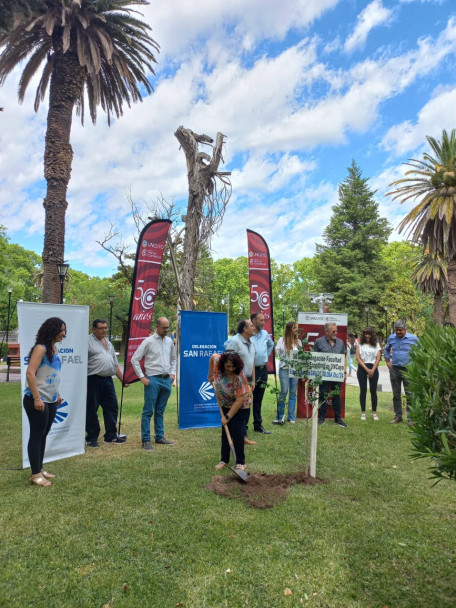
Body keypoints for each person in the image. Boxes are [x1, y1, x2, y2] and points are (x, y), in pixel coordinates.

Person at [23, 317, 66, 487]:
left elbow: (50, 375)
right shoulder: (40, 348)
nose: (63, 334)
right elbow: (30, 373)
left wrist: (58, 394)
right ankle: (35, 475)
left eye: (64, 330)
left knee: (43, 435)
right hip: (37, 400)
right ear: (52, 330)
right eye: (61, 330)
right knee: (36, 435)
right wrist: (37, 398)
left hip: (51, 400)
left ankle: (39, 469)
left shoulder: (53, 349)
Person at [131, 317, 176, 450]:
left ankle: (160, 437)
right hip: (153, 380)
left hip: (166, 379)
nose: (166, 330)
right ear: (157, 327)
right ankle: (145, 440)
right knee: (148, 411)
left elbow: (174, 359)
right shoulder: (148, 341)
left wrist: (172, 374)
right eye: (164, 327)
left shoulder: (169, 342)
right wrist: (142, 377)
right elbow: (135, 359)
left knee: (160, 410)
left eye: (167, 327)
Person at [208, 351, 252, 471]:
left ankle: (240, 462)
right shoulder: (218, 361)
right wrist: (210, 376)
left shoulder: (240, 376)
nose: (231, 369)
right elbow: (212, 357)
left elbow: (240, 399)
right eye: (228, 366)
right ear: (223, 364)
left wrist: (227, 417)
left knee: (237, 432)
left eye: (233, 366)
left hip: (241, 405)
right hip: (225, 402)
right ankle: (224, 460)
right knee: (225, 433)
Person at [86, 319, 126, 448]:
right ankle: (91, 438)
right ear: (94, 329)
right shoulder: (87, 341)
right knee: (91, 409)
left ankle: (110, 436)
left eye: (105, 328)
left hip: (108, 380)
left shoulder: (108, 343)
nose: (104, 330)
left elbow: (115, 364)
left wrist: (122, 379)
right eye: (101, 328)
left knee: (112, 407)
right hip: (92, 379)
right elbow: (81, 364)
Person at [223, 319, 257, 445]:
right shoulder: (234, 341)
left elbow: (252, 361)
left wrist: (253, 379)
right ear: (245, 329)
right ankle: (233, 436)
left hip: (247, 381)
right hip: (236, 382)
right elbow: (226, 360)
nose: (254, 328)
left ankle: (243, 435)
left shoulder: (251, 343)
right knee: (235, 409)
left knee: (246, 409)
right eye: (251, 326)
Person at [384, 320, 419, 425]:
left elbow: (421, 351)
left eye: (400, 330)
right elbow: (386, 349)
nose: (398, 332)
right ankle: (398, 416)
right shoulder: (391, 338)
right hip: (395, 369)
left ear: (405, 329)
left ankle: (411, 418)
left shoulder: (413, 339)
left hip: (408, 369)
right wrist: (387, 360)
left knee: (410, 394)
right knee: (396, 394)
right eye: (396, 330)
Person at [313, 322, 347, 427]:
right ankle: (321, 418)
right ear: (327, 332)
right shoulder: (318, 342)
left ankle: (338, 418)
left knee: (336, 395)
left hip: (337, 375)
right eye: (333, 331)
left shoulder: (341, 343)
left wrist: (344, 372)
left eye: (336, 330)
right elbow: (315, 358)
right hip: (323, 374)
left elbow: (344, 357)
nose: (336, 332)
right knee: (322, 395)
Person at [250, 312, 274, 434]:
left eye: (264, 320)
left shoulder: (265, 334)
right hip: (250, 371)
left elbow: (271, 344)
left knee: (258, 400)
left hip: (263, 370)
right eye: (261, 320)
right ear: (253, 321)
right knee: (247, 399)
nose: (263, 322)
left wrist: (266, 355)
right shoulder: (248, 335)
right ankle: (243, 428)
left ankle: (258, 426)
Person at [273, 321, 302, 424]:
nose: (296, 330)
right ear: (289, 329)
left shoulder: (299, 342)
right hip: (284, 369)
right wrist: (274, 349)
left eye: (297, 328)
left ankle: (291, 416)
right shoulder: (282, 340)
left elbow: (301, 358)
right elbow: (276, 353)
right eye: (294, 328)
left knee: (293, 393)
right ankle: (280, 415)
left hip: (295, 370)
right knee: (284, 391)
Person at [356, 327, 381, 421]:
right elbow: (358, 358)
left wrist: (373, 370)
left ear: (372, 335)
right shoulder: (359, 344)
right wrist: (367, 369)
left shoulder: (376, 345)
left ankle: (374, 412)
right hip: (363, 368)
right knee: (363, 391)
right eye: (366, 334)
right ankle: (363, 412)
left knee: (373, 391)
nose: (367, 336)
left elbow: (378, 358)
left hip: (373, 368)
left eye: (369, 334)